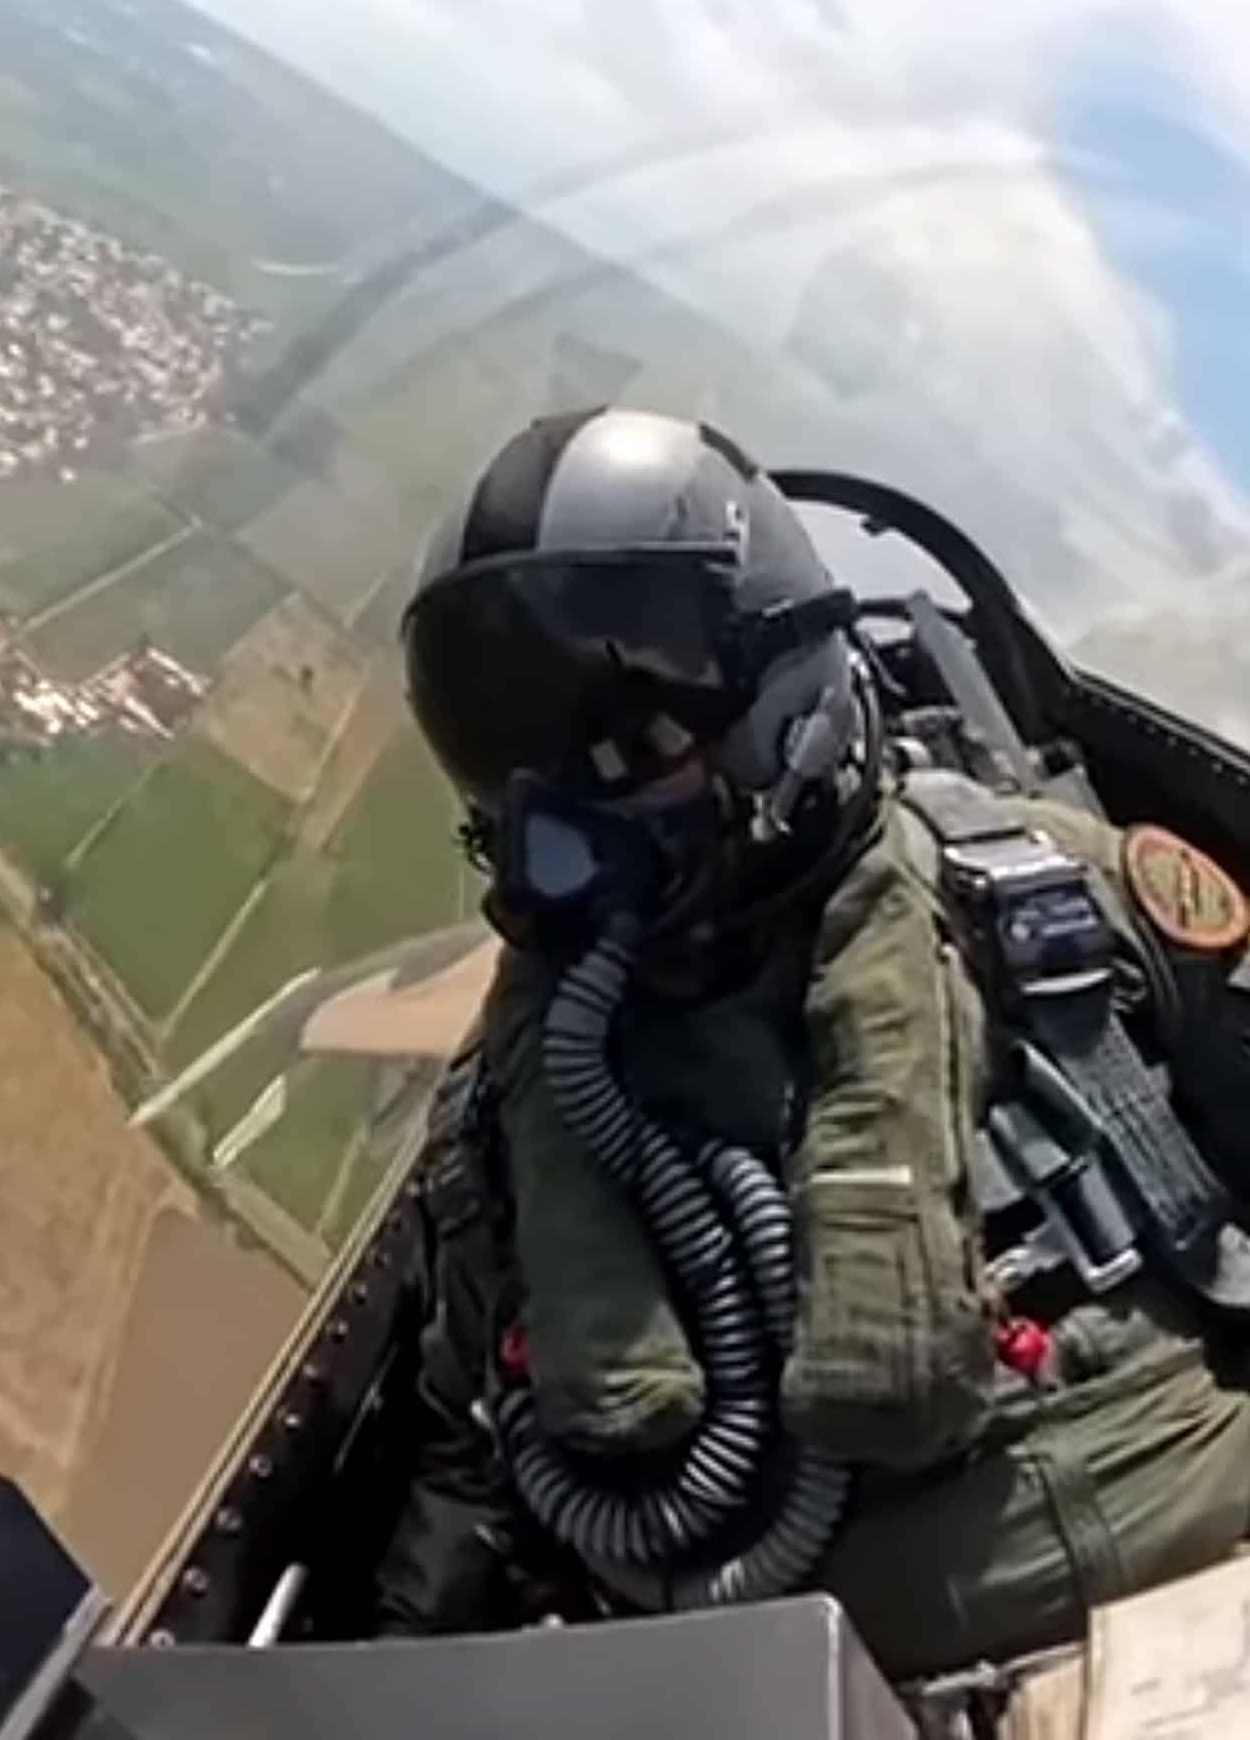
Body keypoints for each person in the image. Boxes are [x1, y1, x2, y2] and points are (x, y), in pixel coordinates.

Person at [371, 406, 1250, 1683]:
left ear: (784, 690)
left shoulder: (1072, 904)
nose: (559, 806)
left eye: (625, 730)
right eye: (515, 758)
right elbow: (472, 1470)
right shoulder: (515, 1115)